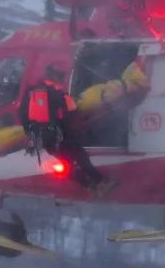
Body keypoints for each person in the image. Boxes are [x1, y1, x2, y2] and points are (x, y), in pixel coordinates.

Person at [22, 64, 117, 197]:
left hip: (44, 139)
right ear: (56, 77)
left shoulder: (31, 92)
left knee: (65, 165)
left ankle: (86, 184)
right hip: (61, 137)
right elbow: (72, 113)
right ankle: (100, 182)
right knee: (81, 157)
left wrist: (32, 133)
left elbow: (23, 115)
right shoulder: (59, 93)